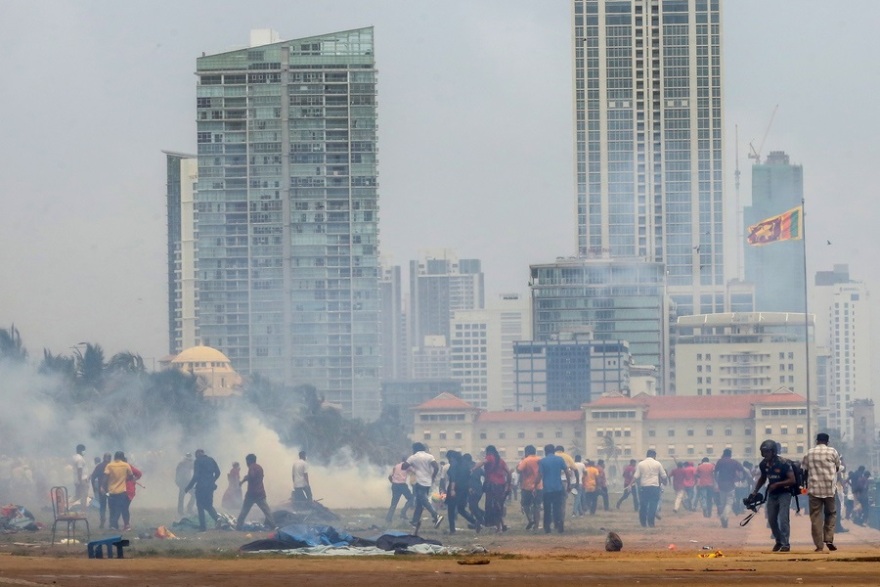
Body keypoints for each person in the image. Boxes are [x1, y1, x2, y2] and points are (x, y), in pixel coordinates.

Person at [749, 439, 795, 552]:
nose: (765, 454)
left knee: (783, 518)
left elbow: (792, 480)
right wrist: (755, 491)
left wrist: (778, 484)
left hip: (784, 493)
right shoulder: (763, 464)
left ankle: (785, 544)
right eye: (763, 452)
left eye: (767, 452)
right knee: (771, 519)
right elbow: (763, 478)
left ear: (773, 452)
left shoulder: (783, 463)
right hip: (772, 494)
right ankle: (778, 541)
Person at [802, 432, 841, 552]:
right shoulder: (833, 452)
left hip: (814, 489)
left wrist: (804, 486)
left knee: (816, 517)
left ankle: (819, 546)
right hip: (829, 489)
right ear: (827, 442)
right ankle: (828, 538)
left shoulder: (809, 453)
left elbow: (804, 470)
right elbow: (838, 467)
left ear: (817, 441)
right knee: (831, 513)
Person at [402, 442, 443, 530]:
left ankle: (436, 515)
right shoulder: (430, 456)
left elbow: (404, 467)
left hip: (419, 482)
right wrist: (433, 476)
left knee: (423, 500)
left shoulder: (413, 457)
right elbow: (436, 467)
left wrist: (408, 462)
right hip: (428, 482)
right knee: (419, 503)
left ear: (414, 449)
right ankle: (415, 522)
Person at [184, 448, 222, 531]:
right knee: (208, 505)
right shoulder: (211, 460)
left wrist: (188, 487)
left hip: (201, 487)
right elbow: (218, 472)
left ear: (197, 454)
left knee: (200, 506)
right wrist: (212, 480)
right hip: (210, 487)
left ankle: (203, 527)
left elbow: (196, 476)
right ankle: (217, 519)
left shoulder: (197, 461)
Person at [235, 454, 275, 530]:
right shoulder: (259, 467)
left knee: (244, 510)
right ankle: (273, 525)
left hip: (251, 493)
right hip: (260, 493)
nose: (246, 463)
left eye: (247, 461)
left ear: (249, 461)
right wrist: (244, 480)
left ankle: (238, 526)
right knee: (267, 511)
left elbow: (251, 476)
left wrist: (244, 480)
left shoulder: (251, 467)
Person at [537, 444, 570, 533]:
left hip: (547, 489)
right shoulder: (559, 459)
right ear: (554, 451)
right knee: (557, 508)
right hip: (558, 488)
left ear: (545, 451)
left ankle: (547, 527)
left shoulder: (542, 461)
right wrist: (569, 484)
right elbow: (567, 472)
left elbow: (540, 475)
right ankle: (559, 525)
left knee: (547, 509)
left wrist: (535, 485)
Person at [444, 450, 480, 533]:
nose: (449, 460)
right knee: (461, 509)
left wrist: (452, 489)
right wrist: (469, 487)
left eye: (449, 458)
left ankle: (452, 529)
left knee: (451, 510)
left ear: (451, 457)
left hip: (455, 488)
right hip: (464, 489)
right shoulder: (465, 464)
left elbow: (453, 478)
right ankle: (474, 522)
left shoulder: (453, 465)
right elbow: (469, 476)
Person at [477, 445, 511, 533]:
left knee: (492, 506)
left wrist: (473, 468)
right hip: (501, 485)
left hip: (492, 485)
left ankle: (498, 527)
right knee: (498, 505)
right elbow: (508, 472)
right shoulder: (501, 461)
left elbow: (482, 463)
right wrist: (508, 485)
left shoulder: (490, 457)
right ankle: (501, 525)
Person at [634, 449, 667, 528]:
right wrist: (664, 482)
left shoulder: (640, 464)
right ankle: (651, 523)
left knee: (643, 505)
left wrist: (638, 485)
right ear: (654, 455)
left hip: (644, 487)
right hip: (654, 487)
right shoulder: (657, 464)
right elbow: (664, 476)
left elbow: (636, 476)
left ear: (647, 455)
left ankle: (643, 523)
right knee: (653, 505)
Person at [103, 451, 133, 531]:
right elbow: (131, 476)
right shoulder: (126, 465)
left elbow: (105, 477)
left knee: (112, 508)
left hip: (111, 491)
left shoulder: (109, 465)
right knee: (120, 508)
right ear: (123, 457)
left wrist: (102, 487)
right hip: (122, 491)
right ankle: (118, 525)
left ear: (114, 457)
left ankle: (114, 525)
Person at [714, 449, 744, 528]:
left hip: (721, 484)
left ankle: (724, 519)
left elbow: (715, 471)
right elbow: (741, 469)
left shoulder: (720, 461)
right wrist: (740, 478)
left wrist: (716, 482)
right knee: (729, 503)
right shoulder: (734, 462)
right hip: (730, 484)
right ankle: (724, 516)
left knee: (723, 502)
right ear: (730, 454)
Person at [516, 445, 542, 530]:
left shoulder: (525, 460)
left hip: (527, 486)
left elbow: (519, 470)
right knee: (537, 506)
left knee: (525, 504)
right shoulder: (540, 459)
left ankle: (530, 520)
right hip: (538, 486)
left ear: (526, 452)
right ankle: (537, 525)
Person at [385, 456, 413, 525]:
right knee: (411, 498)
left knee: (394, 503)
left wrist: (394, 482)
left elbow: (389, 476)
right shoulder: (407, 466)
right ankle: (403, 512)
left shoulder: (396, 466)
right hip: (402, 485)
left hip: (395, 485)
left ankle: (388, 518)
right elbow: (413, 473)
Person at [90, 453, 111, 529]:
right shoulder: (112, 466)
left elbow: (93, 477)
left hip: (102, 489)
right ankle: (112, 522)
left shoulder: (99, 466)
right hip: (111, 489)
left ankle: (102, 520)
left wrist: (94, 488)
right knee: (112, 505)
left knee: (102, 505)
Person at [122, 456, 143, 529]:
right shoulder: (118, 467)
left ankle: (126, 524)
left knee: (124, 507)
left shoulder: (129, 467)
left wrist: (134, 478)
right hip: (121, 490)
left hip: (128, 490)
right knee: (123, 507)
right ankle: (124, 524)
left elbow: (139, 473)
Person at [72, 444, 89, 511]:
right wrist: (80, 481)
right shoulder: (80, 459)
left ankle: (68, 505)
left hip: (77, 479)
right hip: (82, 480)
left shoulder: (74, 457)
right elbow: (80, 470)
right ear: (81, 450)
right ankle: (83, 510)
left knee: (77, 495)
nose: (84, 452)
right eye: (84, 450)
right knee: (84, 495)